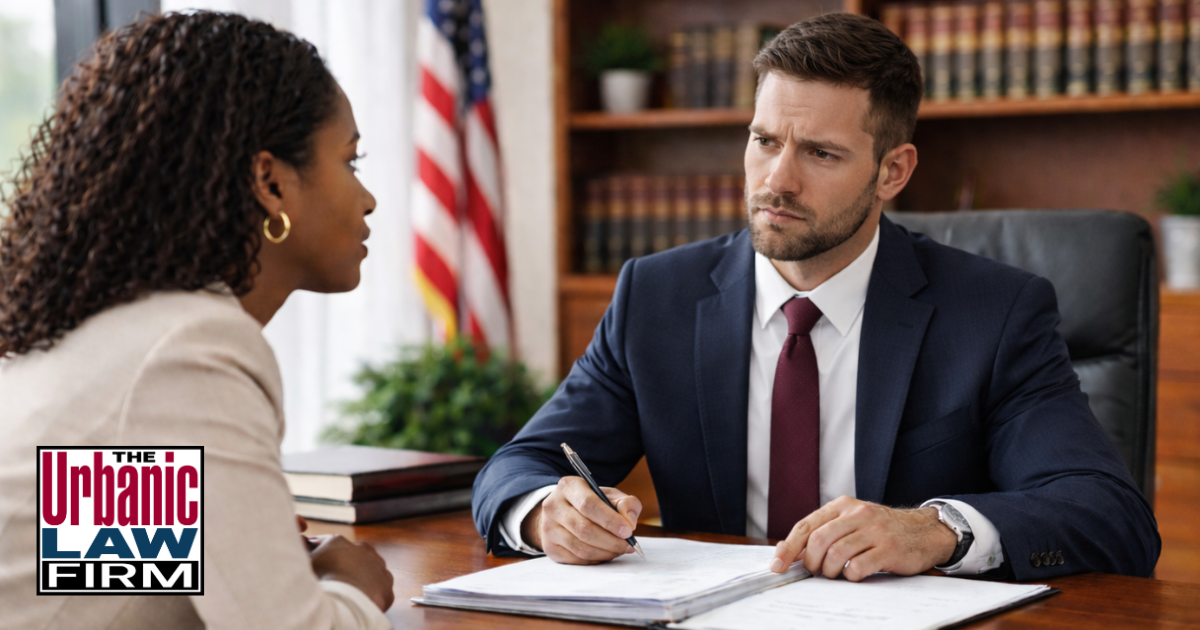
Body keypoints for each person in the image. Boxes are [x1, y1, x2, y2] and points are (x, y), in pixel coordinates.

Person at [472, 13, 1160, 582]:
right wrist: (542, 511)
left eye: (820, 154)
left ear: (893, 170)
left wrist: (937, 529)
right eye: (764, 141)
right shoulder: (656, 298)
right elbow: (518, 467)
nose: (776, 181)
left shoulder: (994, 313)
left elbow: (1108, 515)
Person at [0, 12, 393, 629]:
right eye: (351, 161)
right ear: (269, 181)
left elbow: (75, 581)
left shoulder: (111, 337)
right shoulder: (187, 347)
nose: (367, 198)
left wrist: (244, 553)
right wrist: (353, 586)